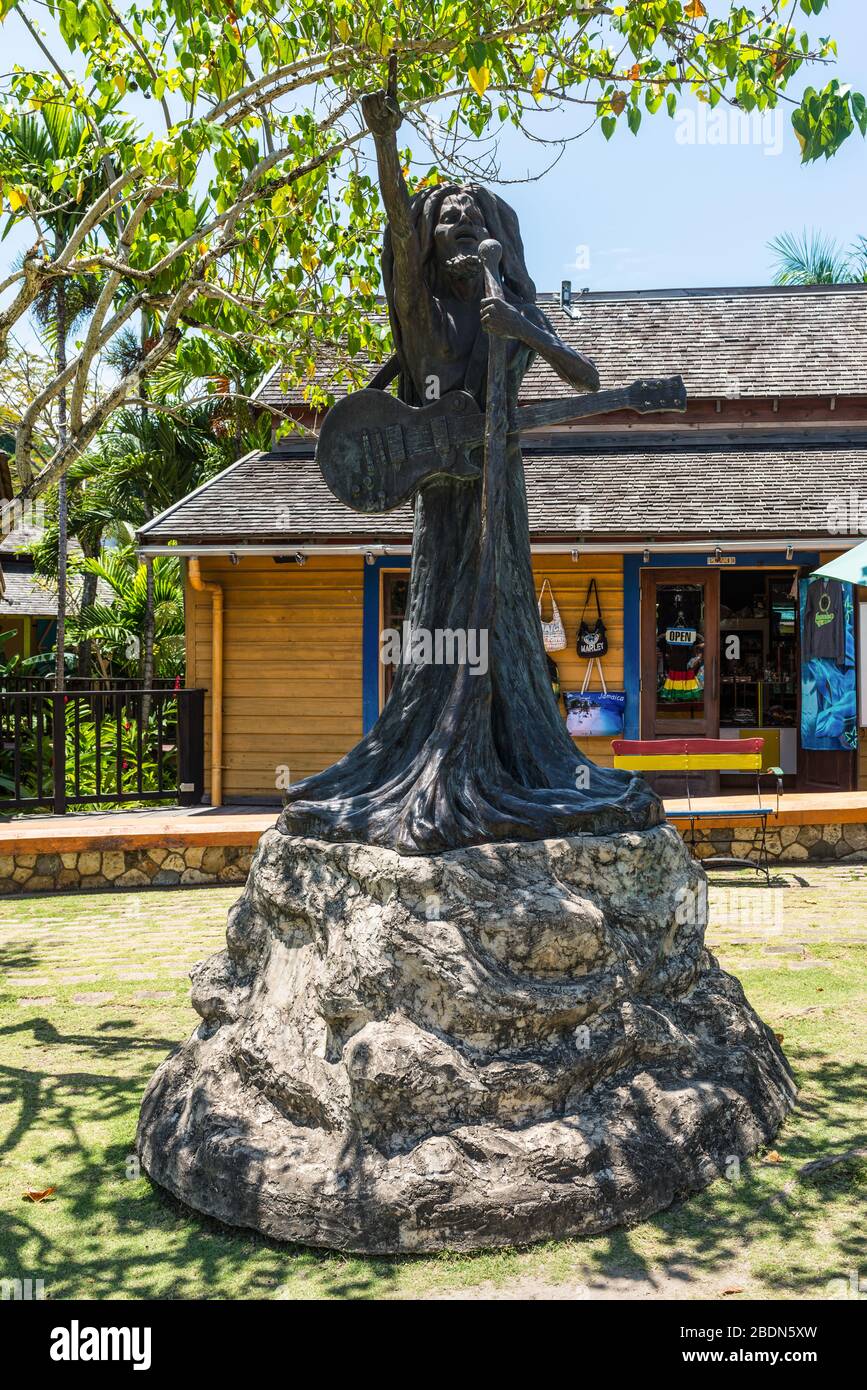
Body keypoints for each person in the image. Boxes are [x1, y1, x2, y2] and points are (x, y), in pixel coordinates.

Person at [278, 84, 661, 853]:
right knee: (439, 618)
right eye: (447, 215)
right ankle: (424, 751)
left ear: (495, 238)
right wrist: (385, 142)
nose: (460, 220)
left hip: (497, 487)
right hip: (439, 498)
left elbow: (585, 376)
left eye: (473, 215)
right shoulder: (421, 316)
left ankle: (512, 750)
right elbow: (395, 233)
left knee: (501, 617)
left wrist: (521, 325)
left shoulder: (505, 303)